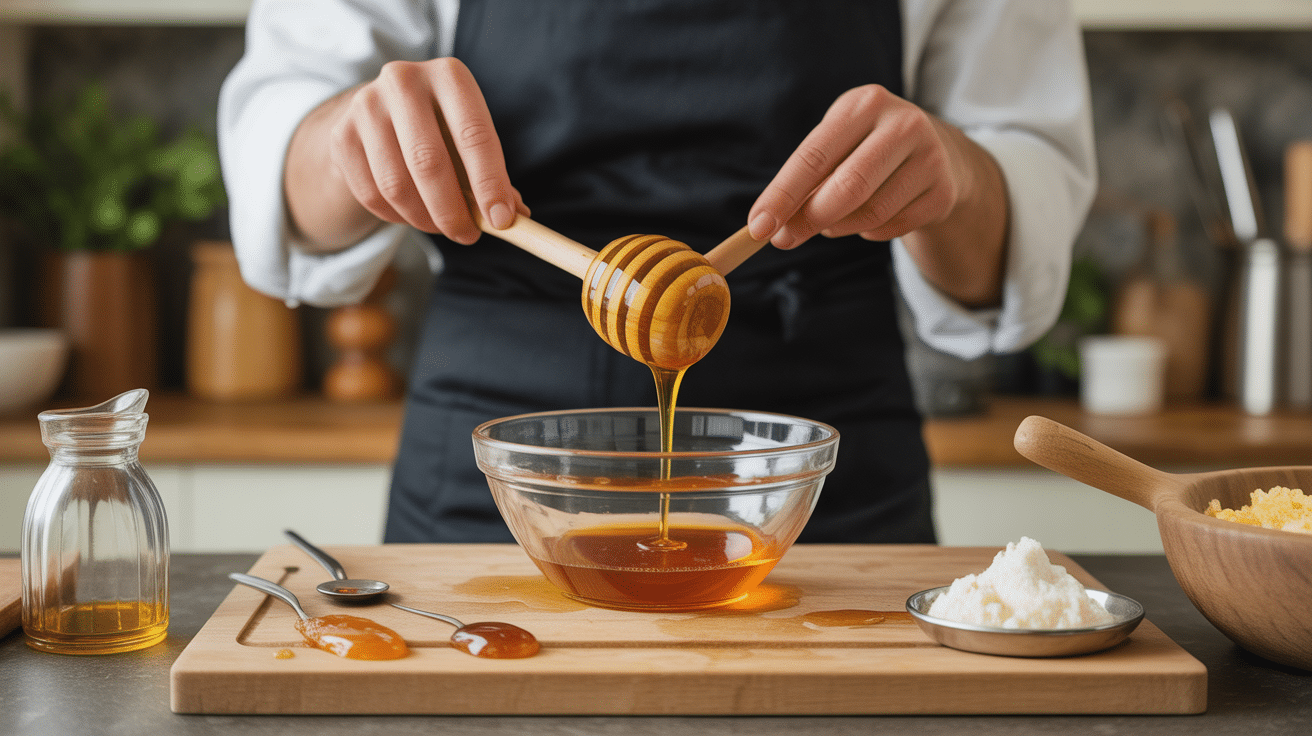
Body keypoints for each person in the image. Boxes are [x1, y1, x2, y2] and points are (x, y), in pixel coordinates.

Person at [219, 0, 1096, 544]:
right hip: (490, 485)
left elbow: (1016, 232)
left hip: (824, 487)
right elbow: (281, 147)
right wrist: (351, 142)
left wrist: (957, 176)